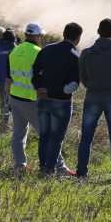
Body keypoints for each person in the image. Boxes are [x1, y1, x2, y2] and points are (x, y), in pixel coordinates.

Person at [6, 22, 73, 174]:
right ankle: (60, 167)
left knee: (18, 134)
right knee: (48, 135)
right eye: (40, 36)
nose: (41, 38)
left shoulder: (14, 51)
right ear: (36, 36)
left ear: (25, 35)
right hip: (32, 101)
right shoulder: (40, 52)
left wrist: (9, 99)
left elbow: (8, 79)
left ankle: (20, 166)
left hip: (15, 98)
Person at [76, 18, 111, 179]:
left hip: (92, 96)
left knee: (86, 137)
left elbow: (82, 77)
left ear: (98, 32)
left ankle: (82, 172)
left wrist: (92, 86)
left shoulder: (86, 52)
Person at [32, 22, 82, 174]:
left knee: (44, 136)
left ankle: (42, 167)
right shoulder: (75, 57)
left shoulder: (47, 49)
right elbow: (73, 86)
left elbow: (33, 71)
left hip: (42, 100)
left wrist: (40, 88)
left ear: (64, 33)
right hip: (61, 103)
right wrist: (53, 91)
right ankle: (49, 170)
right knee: (56, 139)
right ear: (78, 38)